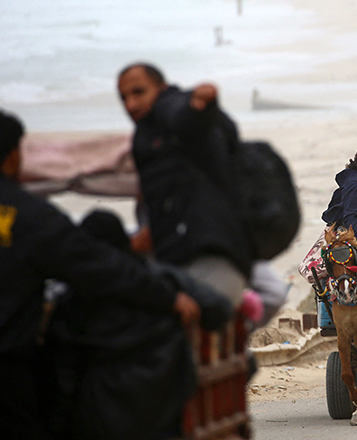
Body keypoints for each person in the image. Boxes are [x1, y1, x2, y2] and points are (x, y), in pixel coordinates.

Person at [0, 110, 199, 439]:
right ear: (12, 156)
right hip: (9, 368)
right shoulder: (31, 218)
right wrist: (168, 297)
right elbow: (100, 267)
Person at [48, 209, 233, 440]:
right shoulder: (163, 280)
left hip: (101, 414)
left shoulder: (73, 300)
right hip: (164, 402)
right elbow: (219, 309)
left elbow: (63, 374)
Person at [117, 63, 253, 305]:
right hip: (188, 258)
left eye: (139, 92)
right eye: (123, 97)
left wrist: (199, 107)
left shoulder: (167, 106)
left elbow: (184, 118)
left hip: (209, 259)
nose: (130, 105)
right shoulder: (147, 132)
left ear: (161, 87)